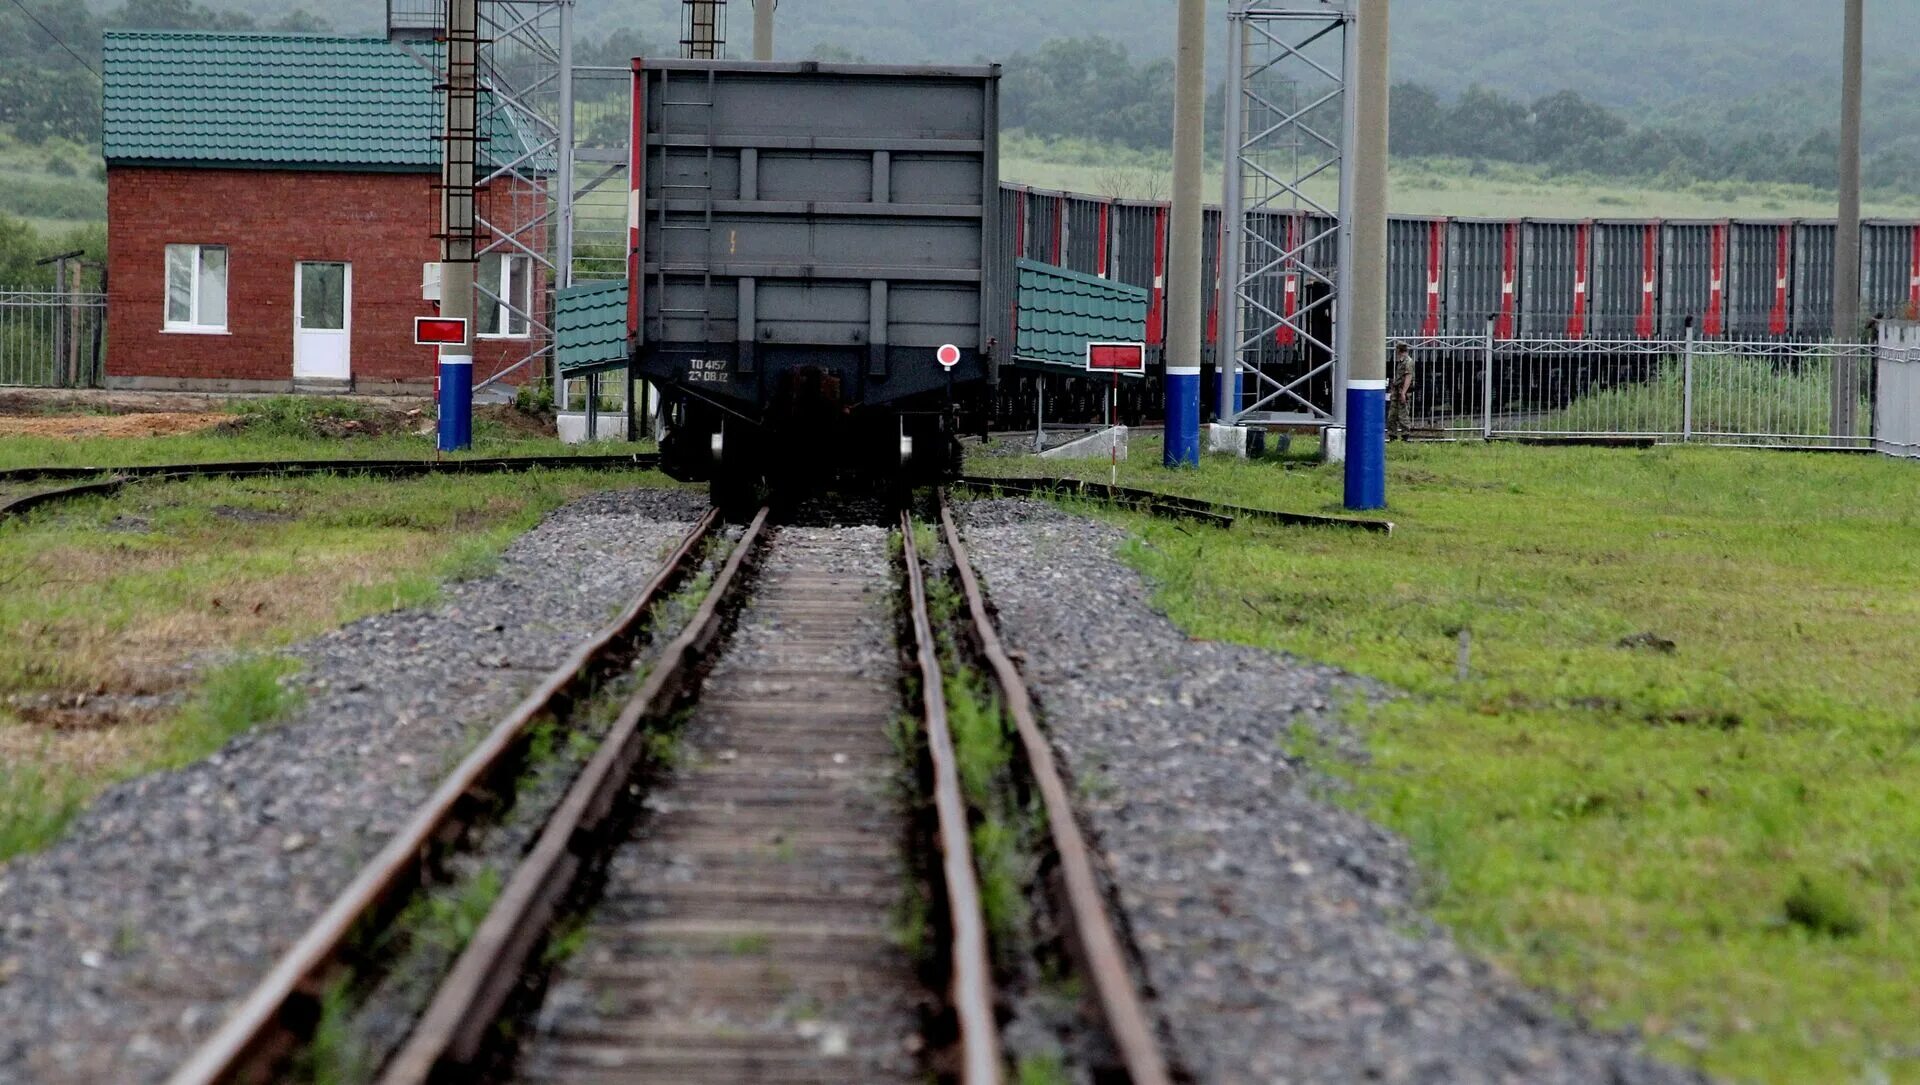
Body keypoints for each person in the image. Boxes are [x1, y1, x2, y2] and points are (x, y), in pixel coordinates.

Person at [1387, 342, 1416, 441]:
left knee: (1403, 415)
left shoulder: (1408, 362)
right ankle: (1393, 436)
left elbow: (1408, 377)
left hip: (1402, 392)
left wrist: (1403, 392)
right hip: (1397, 391)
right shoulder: (1402, 361)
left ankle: (1405, 437)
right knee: (1392, 416)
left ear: (1398, 350)